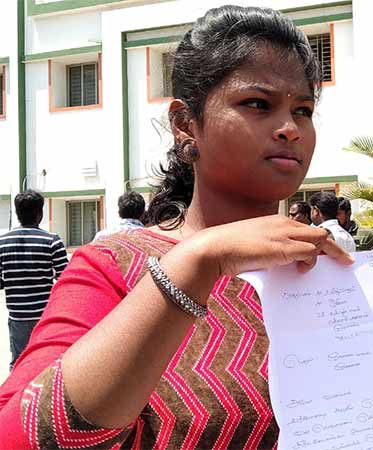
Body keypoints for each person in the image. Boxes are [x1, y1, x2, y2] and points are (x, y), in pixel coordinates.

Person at [0, 6, 353, 449]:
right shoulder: (115, 268)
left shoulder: (329, 272)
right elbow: (17, 436)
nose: (289, 129)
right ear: (186, 124)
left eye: (303, 110)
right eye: (257, 104)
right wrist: (199, 262)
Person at [0, 189, 68, 370]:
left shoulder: (2, 243)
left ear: (17, 213)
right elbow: (65, 279)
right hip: (45, 316)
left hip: (18, 316)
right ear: (39, 213)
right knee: (47, 363)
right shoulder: (52, 241)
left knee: (19, 363)